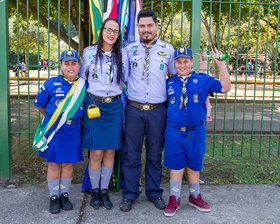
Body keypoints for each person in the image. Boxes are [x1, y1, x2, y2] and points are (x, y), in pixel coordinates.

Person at [120, 9, 177, 212]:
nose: (146, 29)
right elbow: (123, 78)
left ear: (156, 27)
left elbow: (176, 77)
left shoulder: (168, 50)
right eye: (142, 26)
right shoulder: (128, 49)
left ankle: (154, 193)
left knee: (154, 154)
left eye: (149, 25)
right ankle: (130, 194)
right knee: (131, 154)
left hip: (157, 111)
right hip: (133, 109)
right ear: (138, 28)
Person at [163, 46, 231, 217]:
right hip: (174, 132)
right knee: (176, 164)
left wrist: (221, 65)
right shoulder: (169, 82)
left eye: (185, 61)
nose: (182, 65)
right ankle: (174, 197)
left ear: (191, 62)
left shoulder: (202, 80)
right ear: (174, 64)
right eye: (178, 62)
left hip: (196, 132)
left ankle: (195, 196)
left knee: (194, 163)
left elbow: (225, 87)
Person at [79, 17, 128, 210]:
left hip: (114, 107)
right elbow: (83, 78)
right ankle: (95, 190)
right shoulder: (89, 52)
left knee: (110, 151)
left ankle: (104, 190)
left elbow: (127, 79)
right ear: (102, 30)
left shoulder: (123, 54)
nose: (111, 34)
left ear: (118, 35)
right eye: (108, 29)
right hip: (94, 107)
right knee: (96, 151)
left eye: (115, 31)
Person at [34, 50, 85, 214]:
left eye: (74, 63)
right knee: (54, 163)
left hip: (73, 130)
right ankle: (53, 197)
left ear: (79, 65)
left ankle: (64, 194)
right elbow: (40, 106)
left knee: (68, 163)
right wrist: (53, 120)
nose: (70, 67)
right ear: (61, 66)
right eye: (66, 63)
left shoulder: (84, 86)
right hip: (54, 131)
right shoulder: (51, 84)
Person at [199, 50, 213, 122]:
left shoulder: (204, 63)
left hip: (203, 84)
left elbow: (199, 72)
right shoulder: (203, 63)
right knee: (205, 100)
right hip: (202, 83)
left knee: (206, 101)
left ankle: (208, 115)